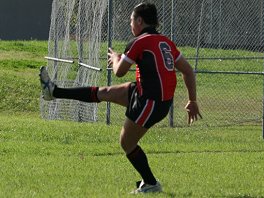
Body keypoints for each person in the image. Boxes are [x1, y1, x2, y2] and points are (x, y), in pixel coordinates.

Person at [39, 2, 201, 194]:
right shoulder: (166, 42)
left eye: (131, 20)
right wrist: (192, 100)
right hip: (148, 94)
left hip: (150, 102)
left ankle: (150, 183)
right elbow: (188, 71)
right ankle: (54, 91)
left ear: (139, 20)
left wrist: (116, 57)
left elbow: (119, 72)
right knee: (104, 92)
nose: (130, 24)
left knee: (126, 143)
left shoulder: (139, 41)